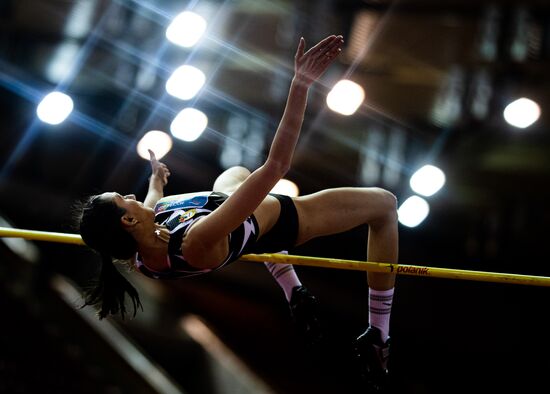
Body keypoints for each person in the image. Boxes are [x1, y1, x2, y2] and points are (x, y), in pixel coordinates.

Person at [77, 34, 397, 391]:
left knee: (233, 177)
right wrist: (301, 85)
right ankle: (378, 335)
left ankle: (294, 290)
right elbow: (276, 165)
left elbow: (150, 207)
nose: (131, 195)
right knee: (384, 205)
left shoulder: (144, 251)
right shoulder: (192, 242)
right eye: (124, 197)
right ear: (128, 220)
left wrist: (156, 182)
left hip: (227, 210)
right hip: (285, 219)